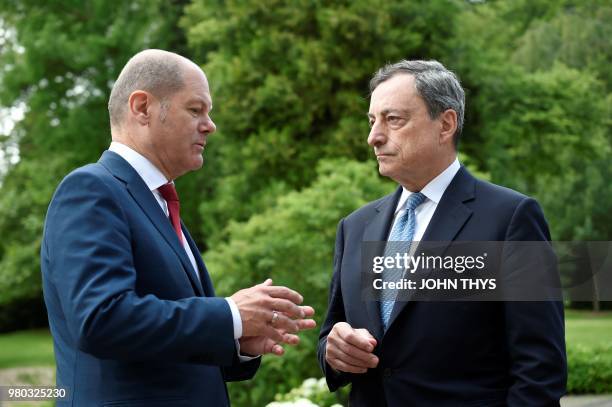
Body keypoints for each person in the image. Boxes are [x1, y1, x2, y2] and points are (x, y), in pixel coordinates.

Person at [41, 49, 315, 406]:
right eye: (195, 109)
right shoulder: (91, 190)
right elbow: (101, 319)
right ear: (142, 108)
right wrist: (230, 315)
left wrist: (237, 340)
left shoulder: (159, 204)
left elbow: (170, 345)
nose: (210, 125)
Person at [317, 60, 566, 406]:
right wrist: (334, 352)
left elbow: (540, 370)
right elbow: (332, 333)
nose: (373, 136)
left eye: (393, 120)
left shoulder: (511, 219)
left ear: (445, 124)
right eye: (372, 121)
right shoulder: (354, 226)